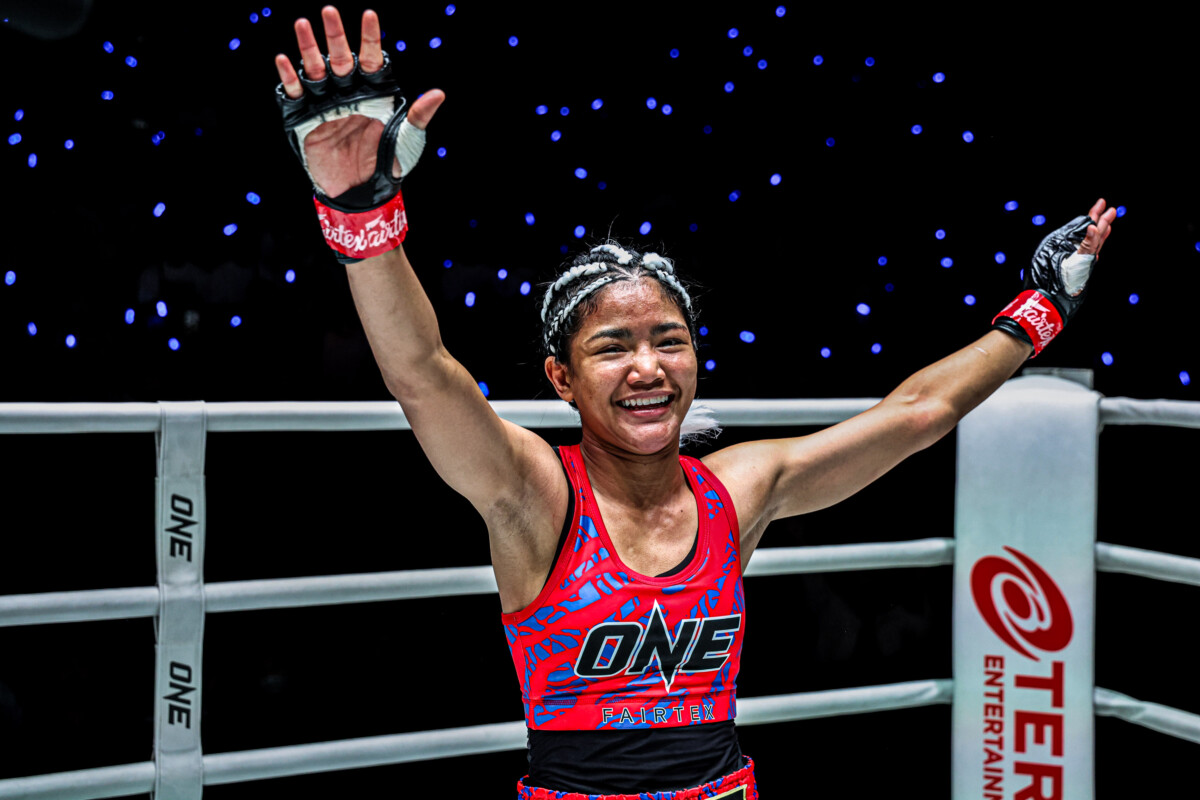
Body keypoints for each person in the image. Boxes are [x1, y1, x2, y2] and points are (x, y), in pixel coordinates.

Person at [273, 8, 1117, 798]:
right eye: (613, 347)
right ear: (562, 379)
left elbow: (918, 414)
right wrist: (360, 213)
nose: (648, 368)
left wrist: (1040, 311)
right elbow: (423, 373)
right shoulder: (534, 492)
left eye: (668, 341)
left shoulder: (737, 490)